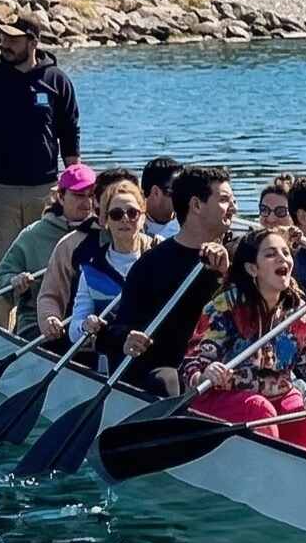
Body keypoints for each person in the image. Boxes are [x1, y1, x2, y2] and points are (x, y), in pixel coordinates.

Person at [181, 226, 306, 458]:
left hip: (280, 396)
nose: (282, 259)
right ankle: (266, 471)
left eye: (285, 253)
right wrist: (206, 373)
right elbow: (192, 363)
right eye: (270, 254)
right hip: (221, 399)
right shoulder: (225, 305)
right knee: (259, 409)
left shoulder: (298, 309)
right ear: (252, 268)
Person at [0, 17, 81, 279]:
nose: (5, 45)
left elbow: (69, 136)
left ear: (33, 42)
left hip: (45, 189)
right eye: (3, 38)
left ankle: (42, 308)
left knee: (45, 266)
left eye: (13, 40)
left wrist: (76, 185)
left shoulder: (57, 81)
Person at [96, 164, 235, 398]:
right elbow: (119, 328)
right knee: (167, 382)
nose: (233, 208)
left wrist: (226, 274)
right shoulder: (151, 264)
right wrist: (127, 339)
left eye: (232, 200)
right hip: (169, 372)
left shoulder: (238, 257)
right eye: (224, 200)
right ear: (196, 205)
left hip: (224, 366)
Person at [37, 170, 155, 346]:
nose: (125, 219)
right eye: (116, 214)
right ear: (103, 216)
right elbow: (51, 294)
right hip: (94, 349)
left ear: (142, 215)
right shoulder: (76, 251)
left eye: (132, 213)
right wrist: (52, 318)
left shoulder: (158, 248)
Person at [0, 161, 96, 340]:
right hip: (36, 323)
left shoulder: (104, 231)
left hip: (88, 323)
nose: (87, 203)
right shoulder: (33, 235)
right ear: (61, 196)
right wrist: (13, 281)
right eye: (78, 195)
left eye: (92, 195)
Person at [141, 156, 183, 240]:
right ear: (156, 192)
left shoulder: (190, 221)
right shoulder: (131, 222)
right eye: (177, 190)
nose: (184, 195)